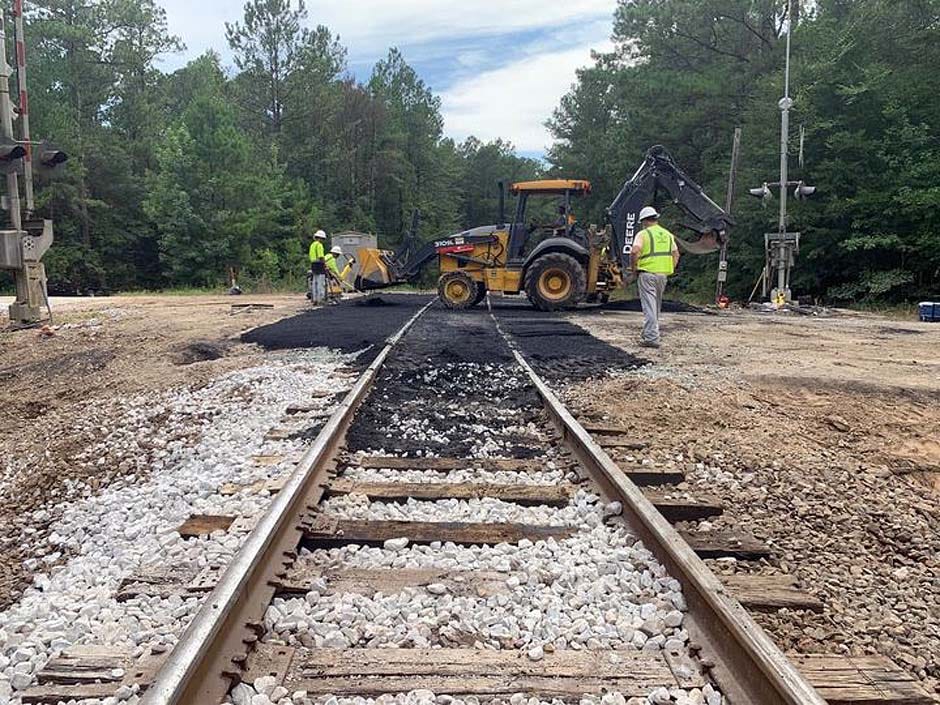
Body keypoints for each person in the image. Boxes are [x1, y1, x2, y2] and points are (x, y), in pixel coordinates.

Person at [630, 206, 679, 348]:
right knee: (655, 306)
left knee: (649, 307)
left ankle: (651, 338)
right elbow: (676, 254)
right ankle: (648, 333)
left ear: (644, 221)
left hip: (647, 274)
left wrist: (634, 268)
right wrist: (670, 268)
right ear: (656, 218)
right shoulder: (668, 234)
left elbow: (634, 251)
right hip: (662, 275)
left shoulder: (643, 234)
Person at [308, 230, 327, 304]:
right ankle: (320, 299)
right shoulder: (319, 245)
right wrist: (324, 264)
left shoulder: (312, 245)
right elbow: (321, 256)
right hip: (319, 264)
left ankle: (314, 299)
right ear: (321, 238)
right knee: (320, 282)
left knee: (314, 282)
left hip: (313, 264)